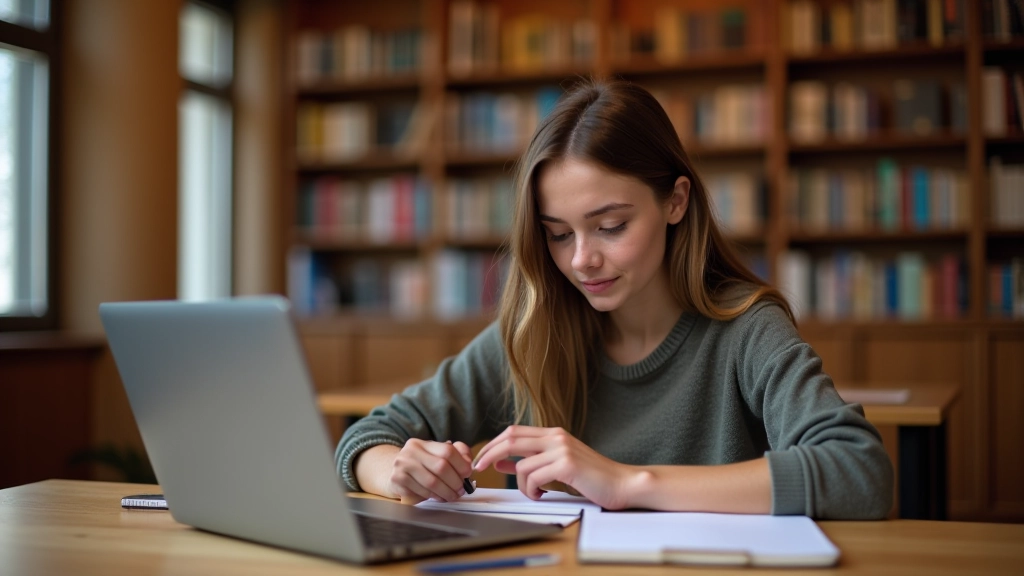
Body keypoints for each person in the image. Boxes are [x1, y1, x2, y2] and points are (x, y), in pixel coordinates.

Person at [335, 80, 893, 519]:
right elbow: (365, 438)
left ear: (675, 202)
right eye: (558, 233)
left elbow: (860, 471)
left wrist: (625, 481)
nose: (581, 260)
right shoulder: (537, 331)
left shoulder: (745, 329)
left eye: (610, 226)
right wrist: (398, 472)